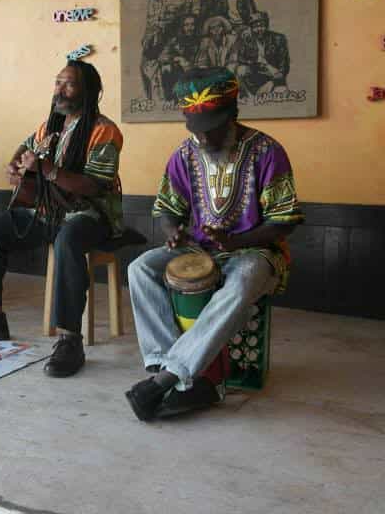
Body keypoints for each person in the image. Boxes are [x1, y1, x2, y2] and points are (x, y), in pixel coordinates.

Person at [124, 67, 304, 420]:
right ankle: (172, 372)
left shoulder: (267, 151)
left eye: (211, 129)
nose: (203, 138)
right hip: (198, 249)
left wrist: (236, 241)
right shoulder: (184, 153)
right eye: (195, 129)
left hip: (256, 252)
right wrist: (172, 230)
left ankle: (167, 380)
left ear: (232, 115)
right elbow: (167, 208)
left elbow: (284, 221)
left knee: (241, 283)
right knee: (140, 268)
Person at [0, 60, 123, 378]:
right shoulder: (49, 128)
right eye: (57, 82)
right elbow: (23, 150)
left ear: (89, 90)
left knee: (69, 238)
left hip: (91, 215)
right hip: (46, 211)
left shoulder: (104, 131)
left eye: (68, 83)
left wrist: (46, 170)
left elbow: (92, 185)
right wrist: (16, 169)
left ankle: (70, 339)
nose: (59, 89)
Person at [234, 11, 290, 102]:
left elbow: (284, 64)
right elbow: (240, 58)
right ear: (251, 28)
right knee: (240, 69)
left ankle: (270, 89)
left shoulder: (278, 39)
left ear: (267, 25)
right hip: (255, 73)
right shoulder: (247, 39)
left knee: (280, 94)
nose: (259, 29)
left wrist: (275, 73)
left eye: (262, 25)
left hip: (273, 75)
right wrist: (256, 63)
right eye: (256, 26)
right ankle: (244, 95)